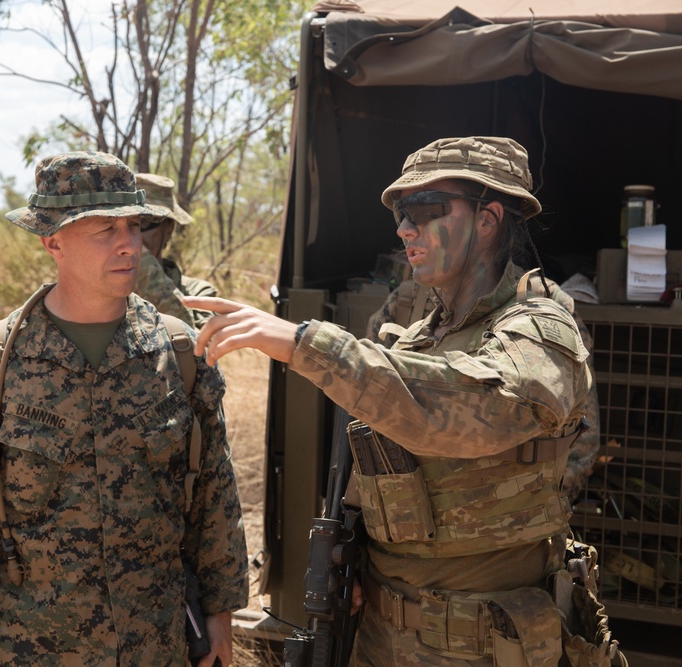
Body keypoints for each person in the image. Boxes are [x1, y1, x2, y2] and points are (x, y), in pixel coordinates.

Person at [185, 137, 594, 665]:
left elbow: (479, 408)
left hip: (487, 639)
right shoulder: (420, 335)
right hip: (383, 629)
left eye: (424, 211)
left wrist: (305, 343)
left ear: (488, 218)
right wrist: (358, 557)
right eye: (402, 214)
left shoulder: (539, 326)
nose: (405, 229)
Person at [0, 151, 248, 666]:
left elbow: (215, 500)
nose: (128, 244)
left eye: (134, 226)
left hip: (156, 646)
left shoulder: (179, 355)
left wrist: (221, 619)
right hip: (32, 650)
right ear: (53, 241)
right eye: (103, 229)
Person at [365, 275, 601, 504]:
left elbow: (581, 432)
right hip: (413, 510)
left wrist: (549, 506)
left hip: (509, 514)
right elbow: (371, 417)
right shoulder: (407, 300)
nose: (408, 234)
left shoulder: (540, 300)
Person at [133, 172, 219, 328]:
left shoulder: (196, 292)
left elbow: (199, 347)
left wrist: (145, 269)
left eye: (142, 222)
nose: (130, 236)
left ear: (168, 230)